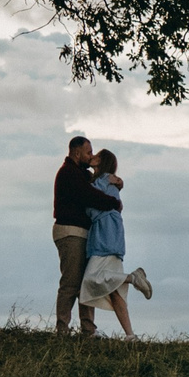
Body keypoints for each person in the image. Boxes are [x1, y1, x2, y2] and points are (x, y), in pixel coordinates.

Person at [73, 148, 152, 337]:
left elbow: (98, 199)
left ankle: (132, 278)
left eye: (97, 156)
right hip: (108, 235)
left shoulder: (106, 181)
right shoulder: (106, 181)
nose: (92, 157)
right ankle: (130, 335)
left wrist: (109, 182)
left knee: (90, 280)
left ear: (104, 162)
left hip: (105, 236)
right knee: (114, 292)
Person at [51, 135, 119, 335]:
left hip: (81, 233)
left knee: (86, 281)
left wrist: (113, 181)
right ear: (77, 152)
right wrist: (113, 202)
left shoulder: (81, 174)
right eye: (88, 152)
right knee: (72, 282)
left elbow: (95, 187)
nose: (91, 156)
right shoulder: (69, 173)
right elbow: (89, 195)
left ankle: (88, 329)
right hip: (71, 231)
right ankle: (63, 329)